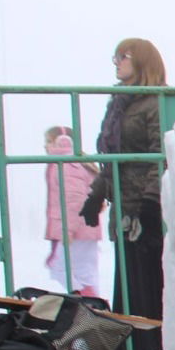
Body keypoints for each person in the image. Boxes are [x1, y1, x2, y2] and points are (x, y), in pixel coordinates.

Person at [80, 38, 166, 350]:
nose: (117, 62)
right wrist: (95, 196)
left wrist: (148, 204)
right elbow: (111, 159)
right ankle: (132, 347)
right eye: (114, 56)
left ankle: (152, 347)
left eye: (123, 56)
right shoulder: (119, 103)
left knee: (149, 282)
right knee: (129, 282)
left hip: (147, 208)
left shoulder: (155, 101)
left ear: (142, 60)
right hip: (124, 207)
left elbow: (162, 155)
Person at [43, 126, 101, 297]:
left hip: (75, 230)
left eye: (47, 142)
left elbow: (74, 200)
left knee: (61, 268)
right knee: (84, 274)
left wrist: (67, 230)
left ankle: (91, 307)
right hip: (83, 229)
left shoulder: (66, 165)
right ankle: (92, 309)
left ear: (58, 142)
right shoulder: (74, 162)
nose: (44, 147)